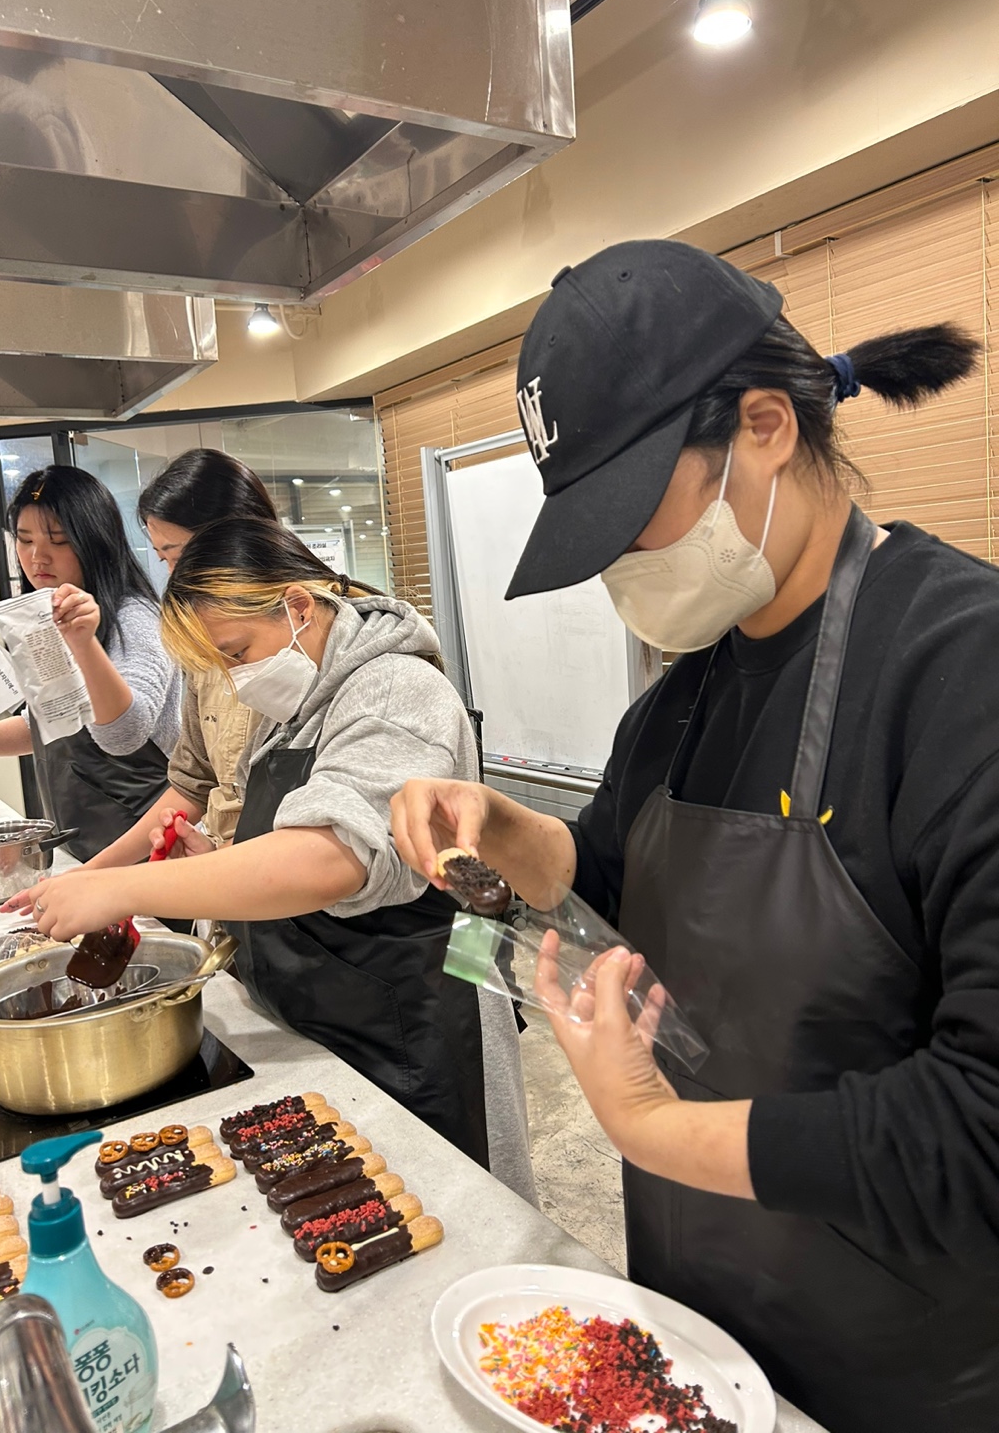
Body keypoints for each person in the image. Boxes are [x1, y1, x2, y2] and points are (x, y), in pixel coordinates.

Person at [390, 240, 999, 1433]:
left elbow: (981, 1126)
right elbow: (618, 877)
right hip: (694, 1336)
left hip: (898, 1370)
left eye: (633, 517)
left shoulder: (961, 671)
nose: (622, 567)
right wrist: (506, 827)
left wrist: (655, 1127)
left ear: (764, 427)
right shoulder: (682, 698)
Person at [21, 517, 535, 1199]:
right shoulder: (303, 695)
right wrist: (217, 859)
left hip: (412, 1022)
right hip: (328, 1011)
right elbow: (288, 836)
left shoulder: (397, 690)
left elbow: (333, 857)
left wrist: (126, 889)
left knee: (445, 1207)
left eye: (236, 653)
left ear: (297, 606)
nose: (237, 683)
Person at [0, 465, 179, 862]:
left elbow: (124, 734)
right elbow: (50, 723)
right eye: (24, 539)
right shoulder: (46, 617)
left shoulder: (135, 617)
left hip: (151, 846)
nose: (37, 557)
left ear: (94, 541)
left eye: (59, 540)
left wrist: (84, 643)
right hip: (82, 845)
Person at [79, 449, 278, 870]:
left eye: (180, 554)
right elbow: (195, 781)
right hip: (234, 879)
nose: (175, 577)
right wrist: (95, 872)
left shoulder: (324, 643)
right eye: (165, 560)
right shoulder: (204, 644)